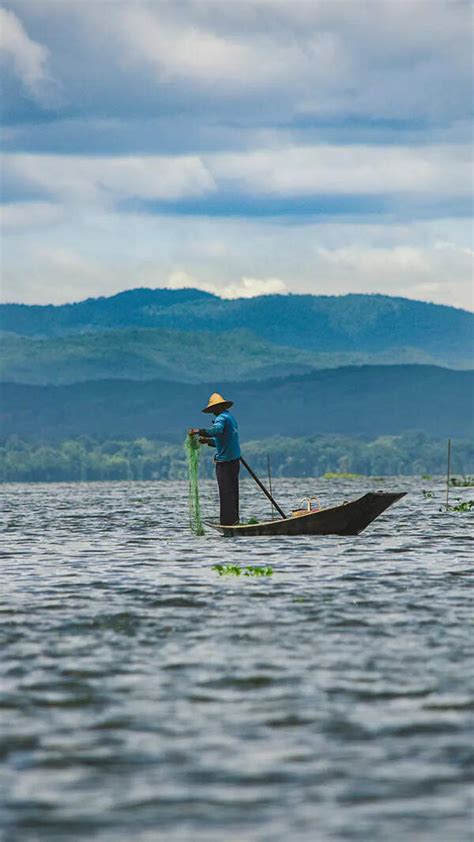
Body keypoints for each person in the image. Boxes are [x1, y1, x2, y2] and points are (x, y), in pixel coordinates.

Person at [190, 392, 241, 525]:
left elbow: (217, 430)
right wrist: (208, 441)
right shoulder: (230, 417)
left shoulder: (221, 419)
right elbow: (223, 439)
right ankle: (235, 520)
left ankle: (227, 522)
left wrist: (199, 431)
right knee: (233, 491)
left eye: (213, 409)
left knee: (226, 492)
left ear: (218, 407)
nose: (212, 411)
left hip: (225, 462)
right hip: (235, 460)